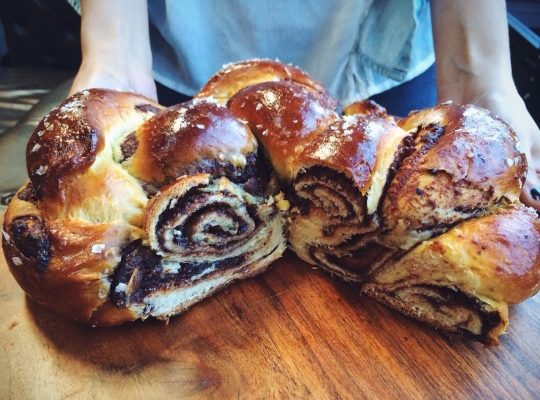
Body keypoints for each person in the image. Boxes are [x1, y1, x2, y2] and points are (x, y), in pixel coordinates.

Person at [68, 0, 540, 210]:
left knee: (405, 211)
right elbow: (118, 57)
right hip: (186, 116)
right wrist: (100, 111)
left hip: (384, 100)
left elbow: (473, 71)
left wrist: (484, 91)